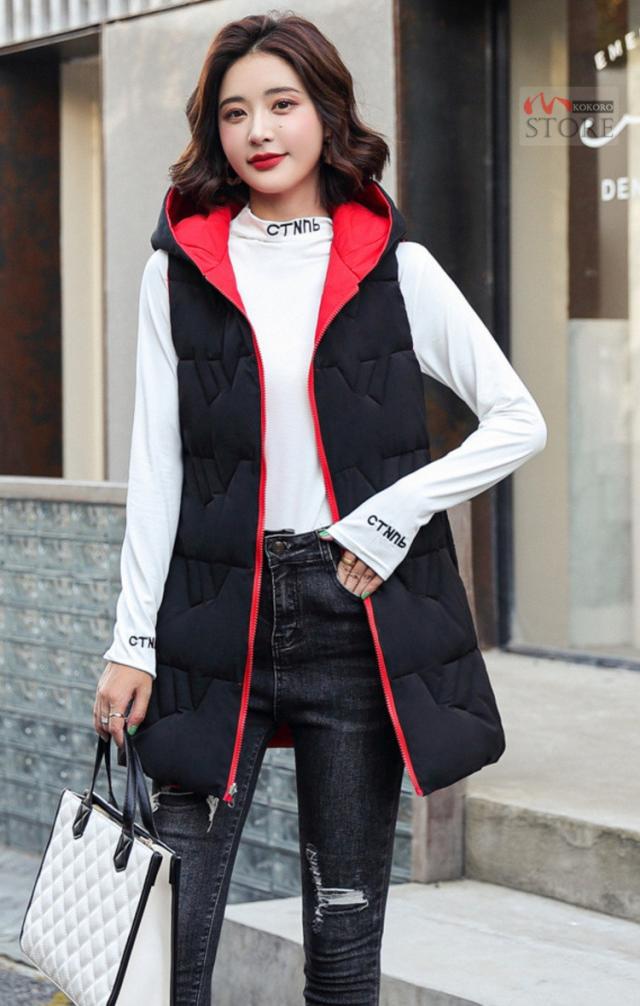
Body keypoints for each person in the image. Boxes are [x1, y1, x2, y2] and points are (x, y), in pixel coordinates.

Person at [94, 10, 547, 1005]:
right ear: (214, 131)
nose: (259, 130)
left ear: (327, 113)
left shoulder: (395, 267)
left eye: (282, 104)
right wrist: (133, 640)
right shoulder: (179, 273)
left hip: (353, 614)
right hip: (213, 616)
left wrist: (393, 514)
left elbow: (518, 420)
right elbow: (158, 467)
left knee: (342, 950)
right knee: (163, 953)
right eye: (235, 112)